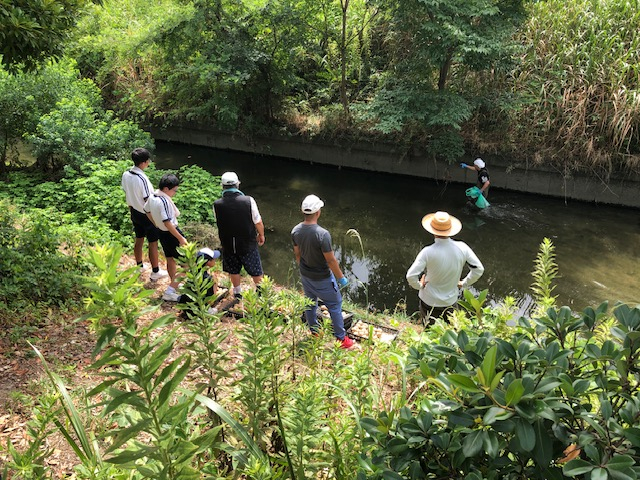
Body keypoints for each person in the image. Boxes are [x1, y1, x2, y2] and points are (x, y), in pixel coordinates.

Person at [291, 194, 355, 349]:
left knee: (310, 302)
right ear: (318, 212)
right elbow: (331, 260)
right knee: (335, 304)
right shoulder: (322, 234)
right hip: (323, 277)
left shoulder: (296, 231)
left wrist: (303, 268)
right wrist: (341, 278)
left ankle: (314, 331)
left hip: (306, 275)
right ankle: (341, 339)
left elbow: (297, 254)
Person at [406, 211, 484, 327]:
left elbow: (410, 276)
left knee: (429, 331)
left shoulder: (427, 251)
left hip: (429, 300)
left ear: (432, 231)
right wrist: (464, 283)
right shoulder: (462, 247)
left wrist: (420, 285)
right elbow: (479, 269)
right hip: (450, 301)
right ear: (450, 230)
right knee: (452, 331)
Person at [213, 172, 265, 300]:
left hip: (228, 243)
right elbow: (257, 221)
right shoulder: (248, 200)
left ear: (222, 186)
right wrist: (261, 235)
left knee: (233, 268)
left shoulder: (217, 204)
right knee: (255, 269)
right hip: (247, 243)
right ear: (237, 184)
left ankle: (237, 292)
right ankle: (262, 293)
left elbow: (219, 222)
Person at [121, 147, 168, 280]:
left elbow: (126, 190)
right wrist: (155, 219)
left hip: (134, 211)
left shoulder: (126, 174)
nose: (149, 163)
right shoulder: (142, 179)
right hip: (146, 214)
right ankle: (155, 271)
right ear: (143, 163)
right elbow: (148, 200)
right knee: (153, 241)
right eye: (148, 161)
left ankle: (139, 266)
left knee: (139, 238)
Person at [144, 173, 187, 302]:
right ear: (167, 189)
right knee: (187, 264)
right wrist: (180, 238)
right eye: (174, 190)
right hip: (171, 233)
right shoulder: (164, 201)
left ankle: (174, 283)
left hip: (162, 232)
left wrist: (156, 223)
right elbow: (168, 222)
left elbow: (146, 210)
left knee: (170, 259)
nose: (175, 193)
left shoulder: (152, 196)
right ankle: (170, 291)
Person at [178, 247, 221, 317]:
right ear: (208, 262)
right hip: (199, 310)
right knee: (214, 311)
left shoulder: (193, 274)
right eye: (214, 259)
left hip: (187, 309)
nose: (215, 260)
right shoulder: (208, 279)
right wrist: (215, 284)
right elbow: (210, 301)